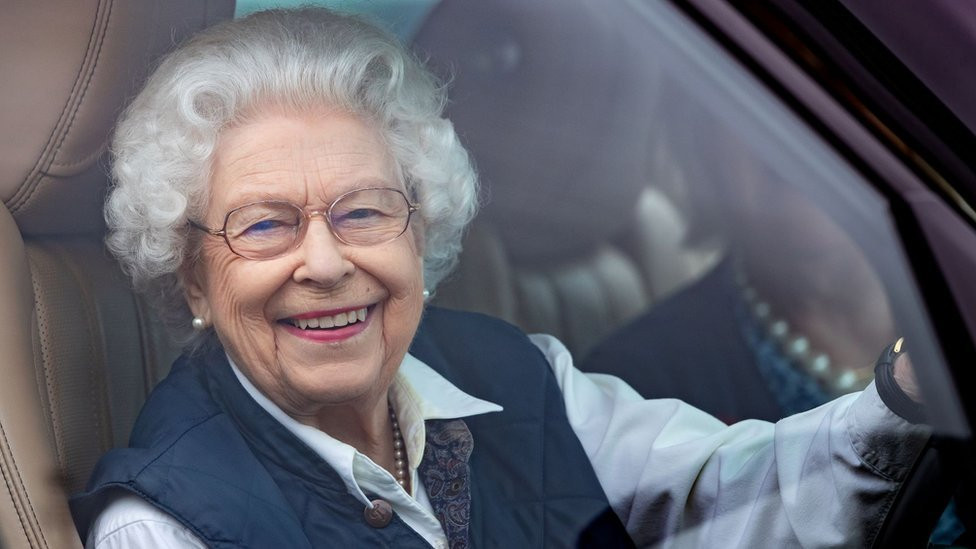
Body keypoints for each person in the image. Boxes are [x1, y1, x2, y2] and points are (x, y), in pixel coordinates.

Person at [70, 8, 929, 548]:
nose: (326, 262)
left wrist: (909, 388)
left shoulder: (520, 375)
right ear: (192, 275)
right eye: (265, 225)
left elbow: (747, 499)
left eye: (366, 209)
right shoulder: (162, 525)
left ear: (424, 228)